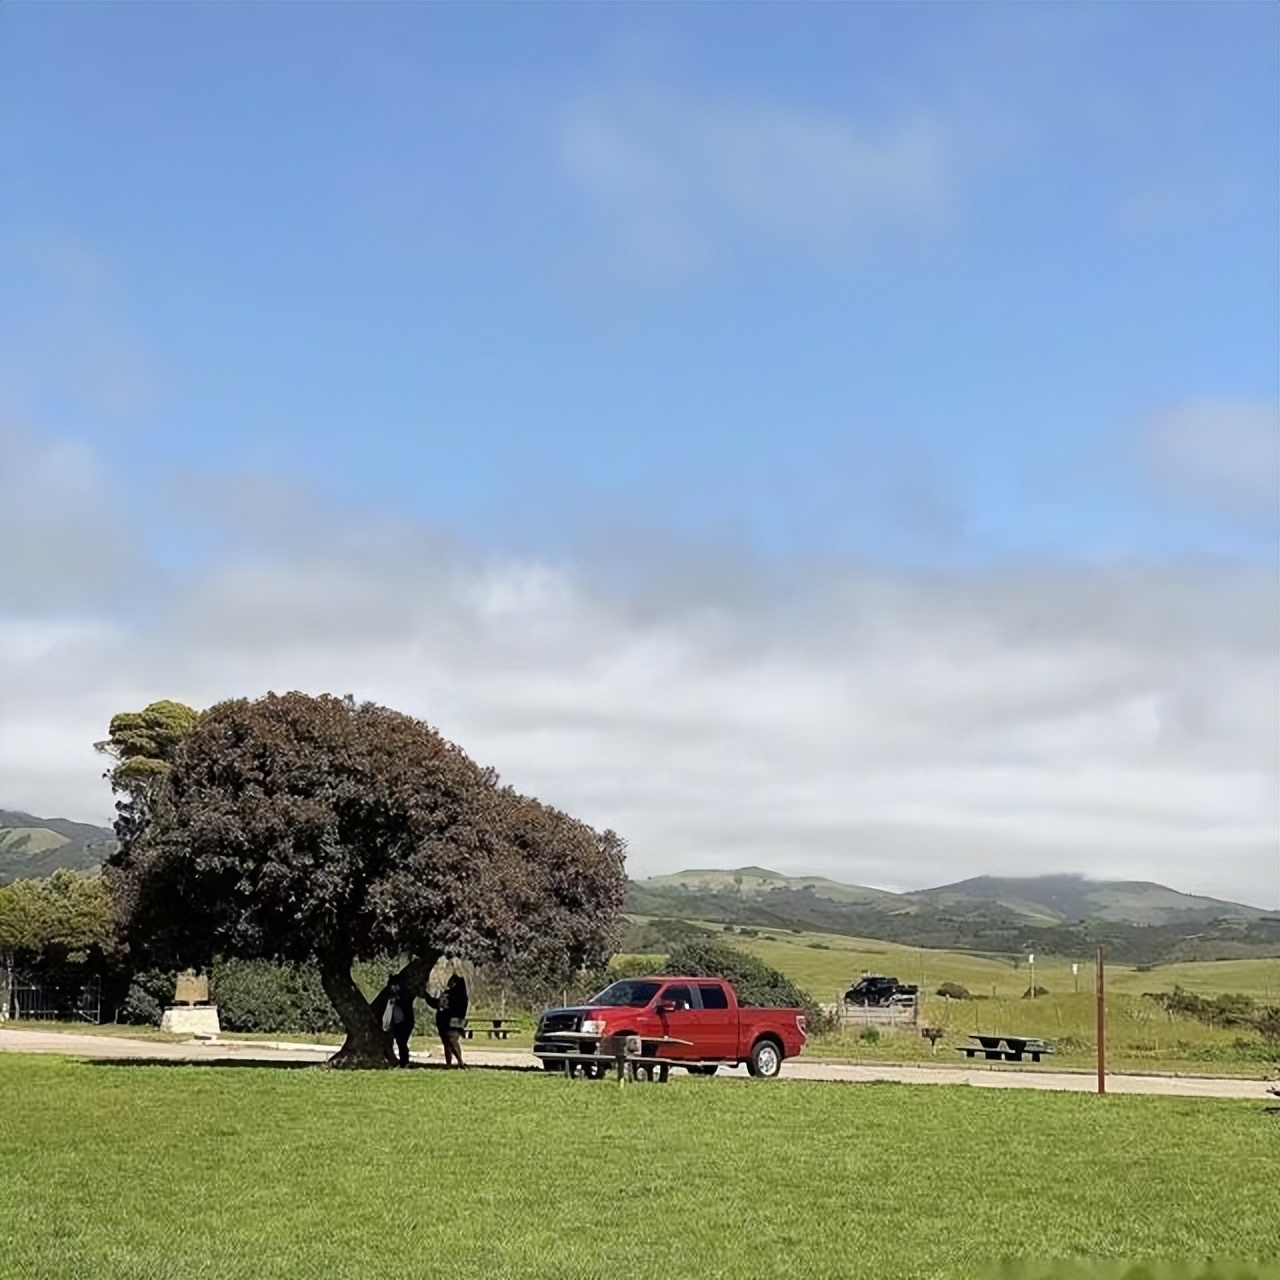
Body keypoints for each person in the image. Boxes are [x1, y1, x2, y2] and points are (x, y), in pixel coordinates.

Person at [424, 973, 468, 1068]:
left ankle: (460, 1062)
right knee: (447, 1043)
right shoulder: (449, 994)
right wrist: (427, 997)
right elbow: (437, 1004)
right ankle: (449, 1063)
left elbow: (458, 1008)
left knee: (452, 1040)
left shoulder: (458, 996)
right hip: (443, 1020)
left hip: (451, 1021)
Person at [381, 972, 415, 1068]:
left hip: (403, 1022)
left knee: (401, 1042)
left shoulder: (404, 994)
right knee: (396, 1042)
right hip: (395, 1021)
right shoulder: (394, 994)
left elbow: (406, 1002)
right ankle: (399, 1061)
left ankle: (404, 1062)